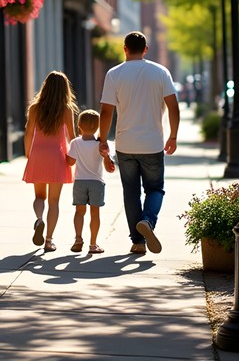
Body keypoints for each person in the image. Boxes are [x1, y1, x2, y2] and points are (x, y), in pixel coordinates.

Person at [97, 31, 179, 255]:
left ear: (125, 48)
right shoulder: (160, 72)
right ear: (146, 49)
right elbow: (173, 106)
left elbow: (106, 111)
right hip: (153, 144)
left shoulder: (114, 74)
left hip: (125, 144)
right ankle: (148, 221)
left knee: (131, 193)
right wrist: (173, 136)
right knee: (155, 189)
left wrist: (103, 140)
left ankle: (138, 242)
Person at [22, 71, 78, 253]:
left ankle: (39, 219)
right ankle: (48, 240)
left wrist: (28, 154)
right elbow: (72, 136)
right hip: (57, 157)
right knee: (54, 201)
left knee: (39, 197)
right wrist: (74, 156)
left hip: (38, 154)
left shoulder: (35, 108)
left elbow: (29, 132)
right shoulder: (66, 110)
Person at [66, 109, 115, 254]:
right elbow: (109, 168)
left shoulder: (75, 143)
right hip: (96, 182)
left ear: (79, 126)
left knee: (79, 212)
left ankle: (78, 239)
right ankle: (93, 245)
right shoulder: (101, 144)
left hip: (80, 181)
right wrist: (106, 156)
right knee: (95, 214)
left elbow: (70, 162)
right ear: (99, 126)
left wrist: (65, 155)